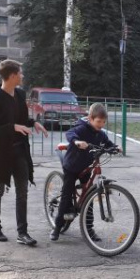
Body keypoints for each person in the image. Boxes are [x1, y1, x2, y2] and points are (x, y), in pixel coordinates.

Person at [0, 59, 48, 245]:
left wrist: (33, 123)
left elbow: (22, 119)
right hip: (2, 153)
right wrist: (13, 127)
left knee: (22, 192)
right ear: (12, 76)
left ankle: (22, 233)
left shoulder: (19, 94)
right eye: (20, 73)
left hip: (19, 151)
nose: (22, 76)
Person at [51, 103, 119, 242]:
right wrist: (77, 141)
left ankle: (89, 230)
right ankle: (57, 228)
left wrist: (115, 148)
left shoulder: (100, 134)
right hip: (72, 166)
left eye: (103, 122)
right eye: (98, 121)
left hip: (86, 168)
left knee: (89, 199)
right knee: (66, 196)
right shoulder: (82, 128)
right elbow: (70, 133)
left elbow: (107, 143)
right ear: (90, 118)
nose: (101, 124)